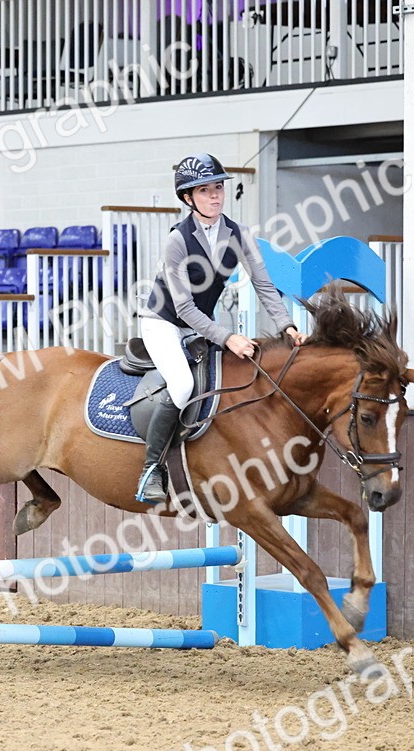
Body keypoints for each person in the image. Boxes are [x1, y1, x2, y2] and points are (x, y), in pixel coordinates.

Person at [135, 152, 308, 504]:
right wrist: (227, 337)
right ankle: (151, 469)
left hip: (199, 325)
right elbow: (182, 306)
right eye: (204, 191)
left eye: (218, 188)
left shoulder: (238, 234)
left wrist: (286, 325)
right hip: (164, 322)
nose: (215, 195)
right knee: (183, 384)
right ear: (188, 198)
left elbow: (263, 284)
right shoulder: (177, 241)